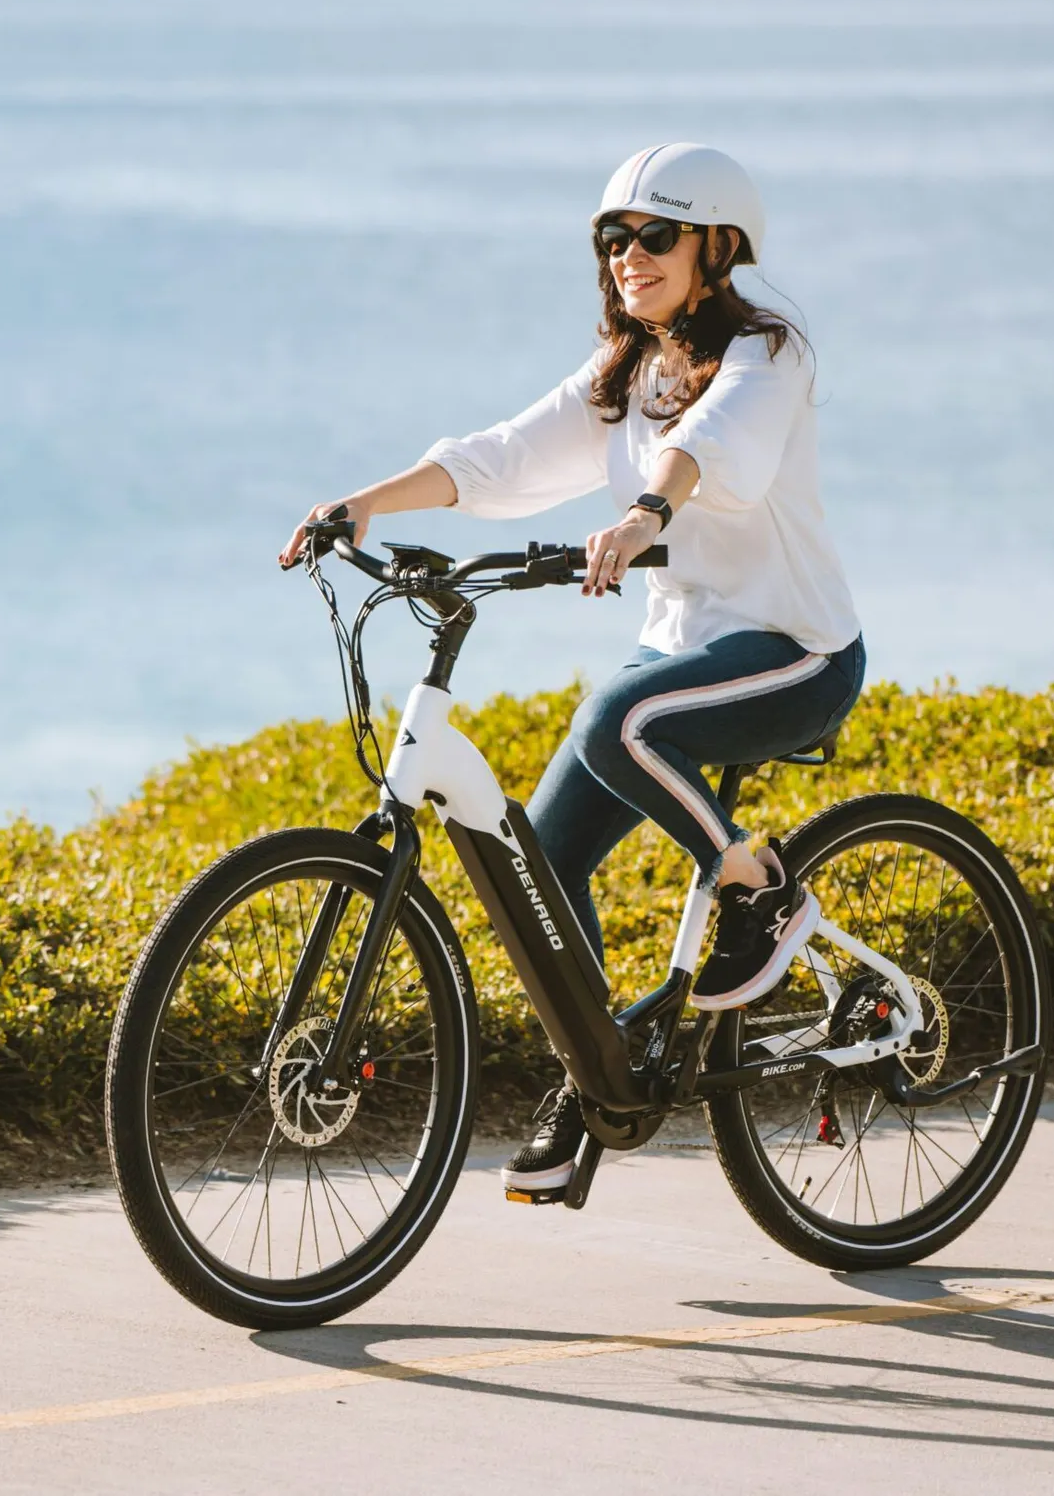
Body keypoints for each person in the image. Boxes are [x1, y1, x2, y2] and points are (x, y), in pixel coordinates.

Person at [277, 143, 865, 1200]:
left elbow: (712, 443)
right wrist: (359, 503)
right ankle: (598, 1080)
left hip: (794, 650)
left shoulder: (768, 354)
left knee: (615, 721)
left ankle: (755, 886)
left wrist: (645, 511)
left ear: (717, 248)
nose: (626, 256)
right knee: (537, 862)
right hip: (684, 651)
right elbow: (498, 456)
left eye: (653, 236)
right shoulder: (622, 375)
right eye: (610, 238)